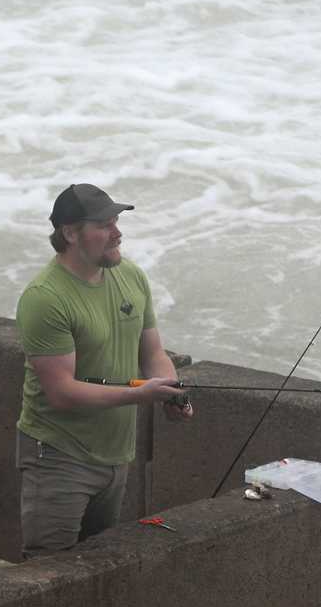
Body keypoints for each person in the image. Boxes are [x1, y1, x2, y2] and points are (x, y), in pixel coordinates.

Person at [14, 183, 194, 558]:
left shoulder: (131, 277)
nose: (117, 232)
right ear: (70, 233)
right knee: (49, 569)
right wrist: (140, 395)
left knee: (96, 561)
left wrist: (171, 390)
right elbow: (61, 392)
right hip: (59, 457)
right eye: (104, 225)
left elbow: (153, 353)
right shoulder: (45, 298)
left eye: (116, 222)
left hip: (116, 455)